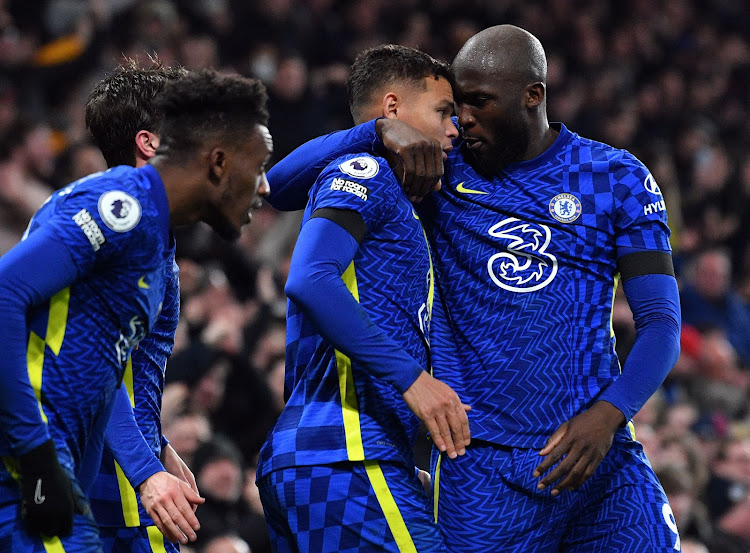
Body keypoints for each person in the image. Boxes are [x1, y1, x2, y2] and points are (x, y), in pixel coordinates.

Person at [267, 25, 682, 552]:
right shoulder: (438, 165)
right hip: (478, 466)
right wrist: (377, 131)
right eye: (457, 105)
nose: (464, 119)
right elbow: (278, 189)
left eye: (480, 103)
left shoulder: (617, 177)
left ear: (533, 95)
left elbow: (662, 324)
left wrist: (609, 414)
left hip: (595, 453)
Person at [0, 69, 272, 552]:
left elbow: (105, 372)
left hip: (72, 462)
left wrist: (157, 448)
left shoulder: (157, 244)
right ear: (216, 160)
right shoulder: (118, 206)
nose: (266, 186)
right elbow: (3, 295)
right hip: (34, 457)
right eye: (259, 164)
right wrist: (41, 456)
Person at [256, 45, 470, 553]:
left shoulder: (408, 205)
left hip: (334, 457)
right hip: (345, 450)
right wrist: (414, 381)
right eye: (443, 112)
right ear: (393, 108)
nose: (455, 129)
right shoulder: (366, 172)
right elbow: (309, 278)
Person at [83, 58, 203, 552]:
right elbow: (90, 366)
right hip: (107, 494)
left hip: (119, 481)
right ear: (149, 142)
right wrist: (145, 470)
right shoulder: (121, 230)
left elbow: (127, 366)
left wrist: (157, 443)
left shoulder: (149, 232)